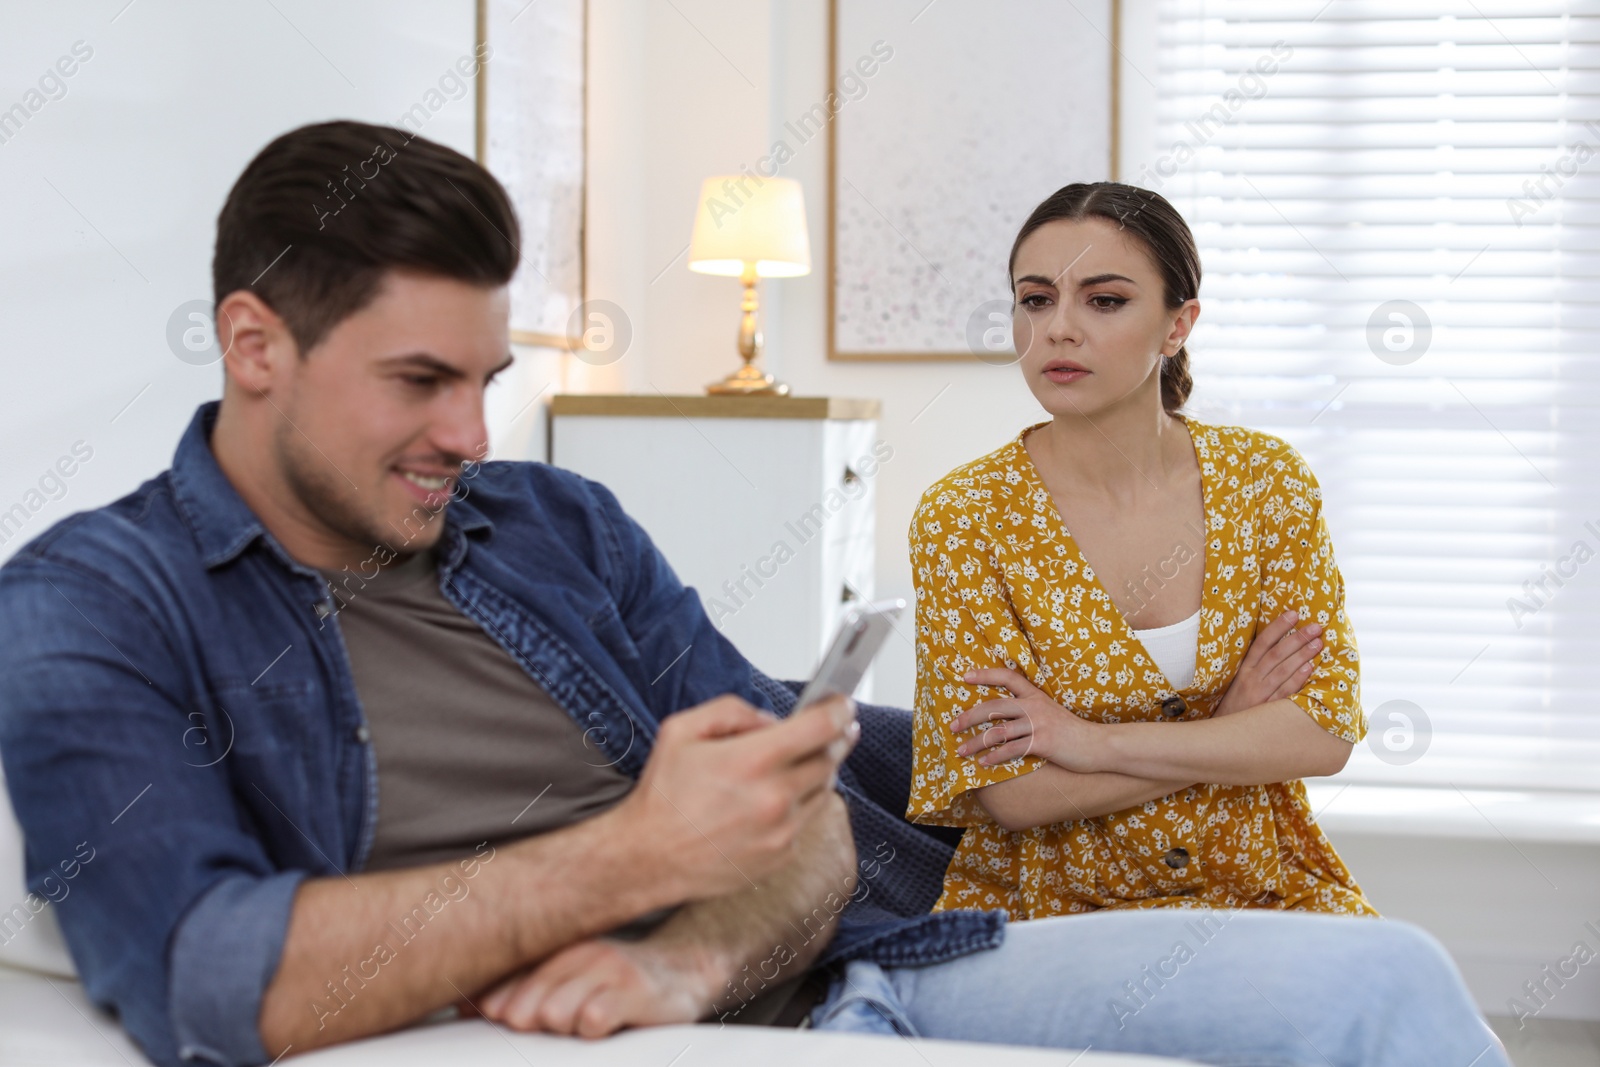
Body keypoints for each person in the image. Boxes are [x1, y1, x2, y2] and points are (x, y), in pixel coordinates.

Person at [0, 124, 1506, 1067]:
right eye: (419, 381)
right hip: (845, 973)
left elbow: (804, 780)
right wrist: (625, 862)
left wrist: (688, 949)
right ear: (254, 344)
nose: (471, 435)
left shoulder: (548, 523)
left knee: (1375, 982)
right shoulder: (92, 609)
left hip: (856, 952)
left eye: (487, 381)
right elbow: (206, 973)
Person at [907, 182, 1377, 919]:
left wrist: (1088, 742)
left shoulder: (1267, 483)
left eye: (1104, 300)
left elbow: (1323, 732)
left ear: (1176, 325)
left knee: (1417, 1006)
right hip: (1052, 915)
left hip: (1268, 895)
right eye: (1035, 299)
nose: (1058, 329)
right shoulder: (962, 519)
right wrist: (1230, 722)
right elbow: (1016, 793)